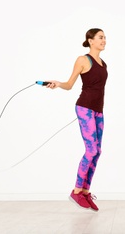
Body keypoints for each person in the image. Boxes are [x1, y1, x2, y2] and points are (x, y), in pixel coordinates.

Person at [45, 28, 108, 211]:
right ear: (90, 40)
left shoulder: (103, 63)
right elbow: (70, 84)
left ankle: (86, 192)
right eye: (100, 37)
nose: (104, 40)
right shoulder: (83, 60)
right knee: (91, 150)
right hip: (85, 108)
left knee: (97, 151)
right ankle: (76, 191)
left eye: (105, 37)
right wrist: (58, 84)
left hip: (98, 111)